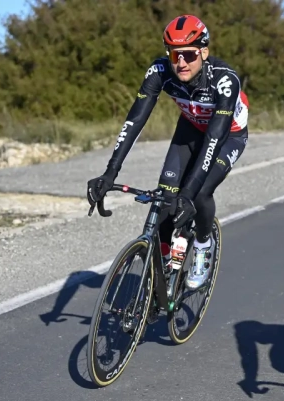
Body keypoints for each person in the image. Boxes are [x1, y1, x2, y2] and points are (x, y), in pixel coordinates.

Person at [87, 14, 249, 289]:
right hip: (189, 130)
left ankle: (202, 243)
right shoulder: (159, 72)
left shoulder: (224, 80)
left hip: (226, 136)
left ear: (204, 52)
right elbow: (134, 121)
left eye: (188, 54)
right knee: (164, 198)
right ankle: (161, 267)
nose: (181, 62)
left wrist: (188, 194)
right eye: (175, 55)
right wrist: (109, 171)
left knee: (198, 194)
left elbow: (213, 138)